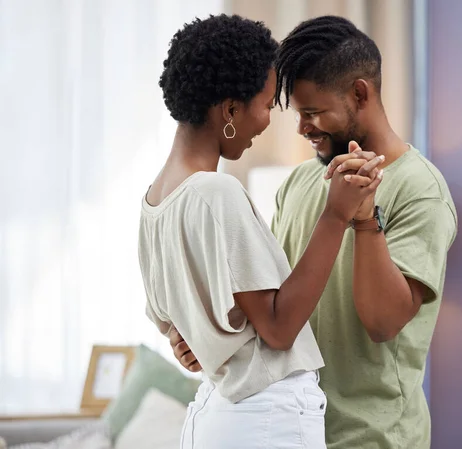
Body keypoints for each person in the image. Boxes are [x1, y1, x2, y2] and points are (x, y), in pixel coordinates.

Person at [170, 15, 458, 449]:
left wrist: (363, 219)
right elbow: (267, 302)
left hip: (369, 438)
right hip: (292, 430)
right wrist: (197, 335)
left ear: (360, 93)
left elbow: (383, 323)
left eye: (313, 112)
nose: (302, 128)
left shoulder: (421, 190)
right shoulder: (301, 182)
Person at [138, 14, 384, 449]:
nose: (268, 120)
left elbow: (176, 330)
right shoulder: (216, 194)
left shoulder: (154, 202)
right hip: (265, 418)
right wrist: (336, 214)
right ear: (230, 110)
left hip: (217, 414)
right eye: (268, 104)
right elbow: (278, 328)